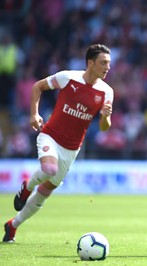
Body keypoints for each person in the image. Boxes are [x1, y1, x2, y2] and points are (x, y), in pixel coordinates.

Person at [3, 44, 114, 242]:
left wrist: (105, 117)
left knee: (46, 191)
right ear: (90, 63)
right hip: (50, 136)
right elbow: (38, 86)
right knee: (49, 169)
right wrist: (34, 114)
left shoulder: (106, 92)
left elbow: (105, 127)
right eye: (103, 63)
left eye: (109, 63)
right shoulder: (68, 77)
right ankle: (27, 187)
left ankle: (13, 225)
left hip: (72, 148)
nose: (107, 67)